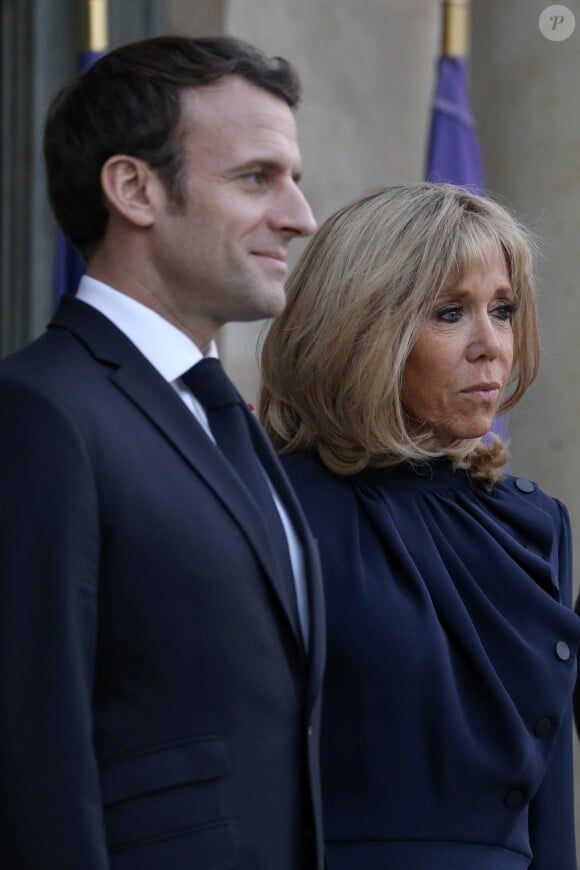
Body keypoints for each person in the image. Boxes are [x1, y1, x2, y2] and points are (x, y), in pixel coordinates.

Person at [0, 35, 326, 870]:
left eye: (293, 178)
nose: (299, 216)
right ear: (135, 189)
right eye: (257, 177)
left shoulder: (225, 417)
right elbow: (33, 749)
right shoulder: (40, 412)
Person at [260, 182, 580, 870]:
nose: (492, 345)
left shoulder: (536, 523)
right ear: (361, 327)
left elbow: (548, 806)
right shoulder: (275, 506)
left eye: (503, 309)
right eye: (449, 312)